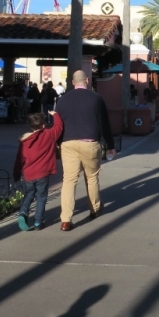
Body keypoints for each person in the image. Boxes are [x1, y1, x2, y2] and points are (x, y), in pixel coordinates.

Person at [55, 70, 115, 231]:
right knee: (92, 177)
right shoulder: (96, 99)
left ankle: (66, 219)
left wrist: (58, 143)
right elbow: (104, 124)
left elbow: (57, 125)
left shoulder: (62, 100)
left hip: (68, 143)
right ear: (87, 81)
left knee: (69, 180)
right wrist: (111, 145)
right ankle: (94, 209)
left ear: (72, 82)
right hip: (90, 142)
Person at [13, 111, 63, 231]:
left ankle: (23, 213)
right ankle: (38, 222)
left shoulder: (25, 142)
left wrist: (16, 173)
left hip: (29, 173)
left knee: (29, 194)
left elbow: (19, 159)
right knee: (41, 196)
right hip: (43, 173)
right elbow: (59, 127)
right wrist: (55, 114)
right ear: (43, 125)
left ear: (31, 126)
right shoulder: (49, 134)